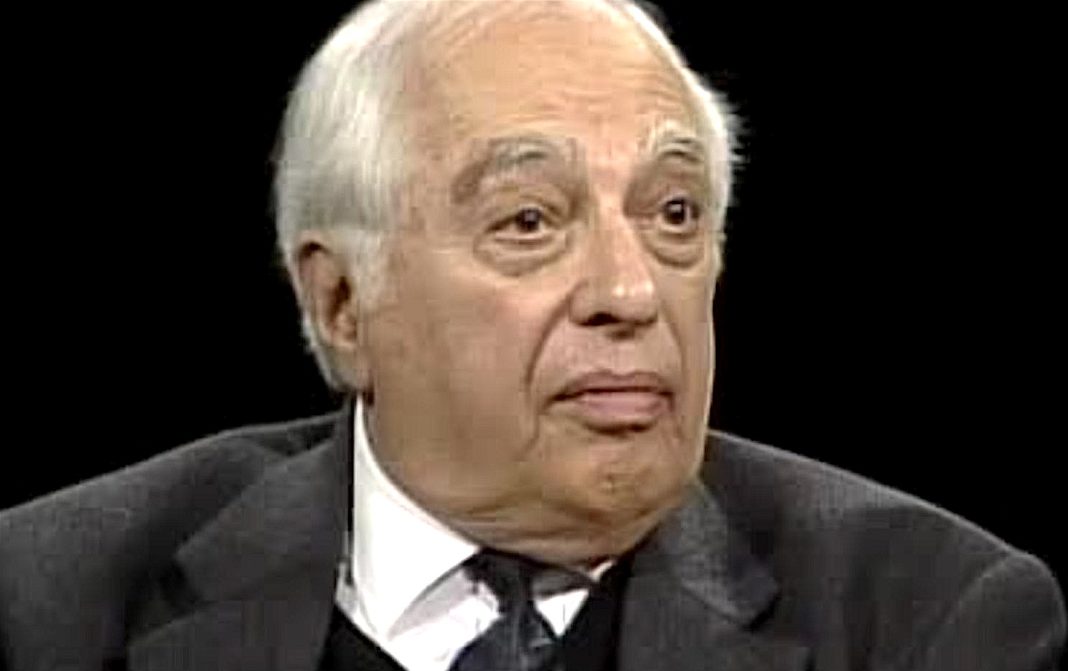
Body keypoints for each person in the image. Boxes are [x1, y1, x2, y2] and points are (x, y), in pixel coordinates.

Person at [1, 0, 1063, 669]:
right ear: (341, 305)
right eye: (528, 221)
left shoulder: (925, 617)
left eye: (674, 213)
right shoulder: (41, 602)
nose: (631, 291)